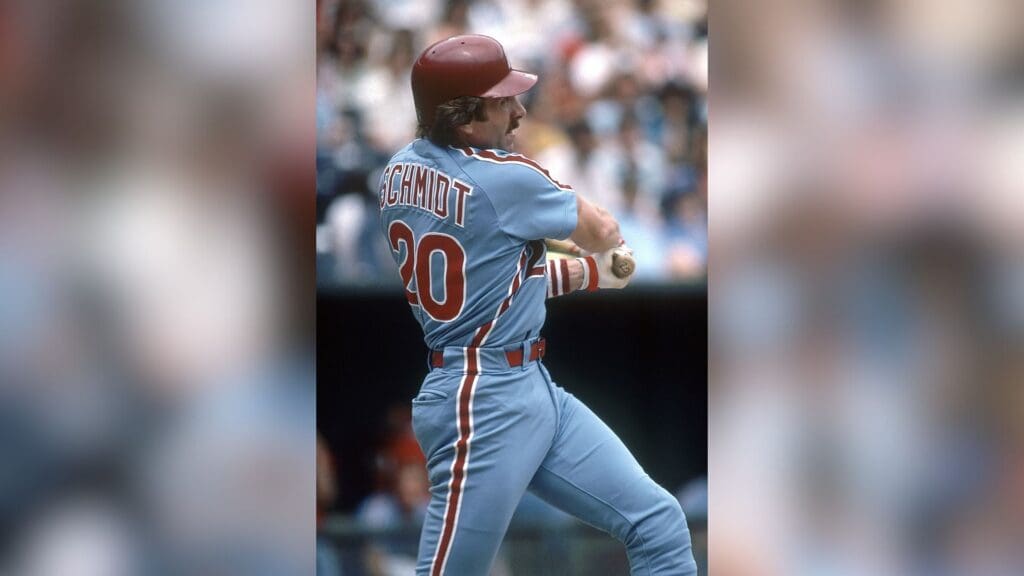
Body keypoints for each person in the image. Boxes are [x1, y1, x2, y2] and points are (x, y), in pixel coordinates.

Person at [377, 34, 697, 575]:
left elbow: (498, 283)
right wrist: (598, 257)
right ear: (466, 115)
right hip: (483, 398)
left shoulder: (397, 173)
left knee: (658, 521)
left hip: (521, 382)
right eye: (503, 100)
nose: (519, 110)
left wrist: (587, 273)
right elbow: (603, 231)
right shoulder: (504, 178)